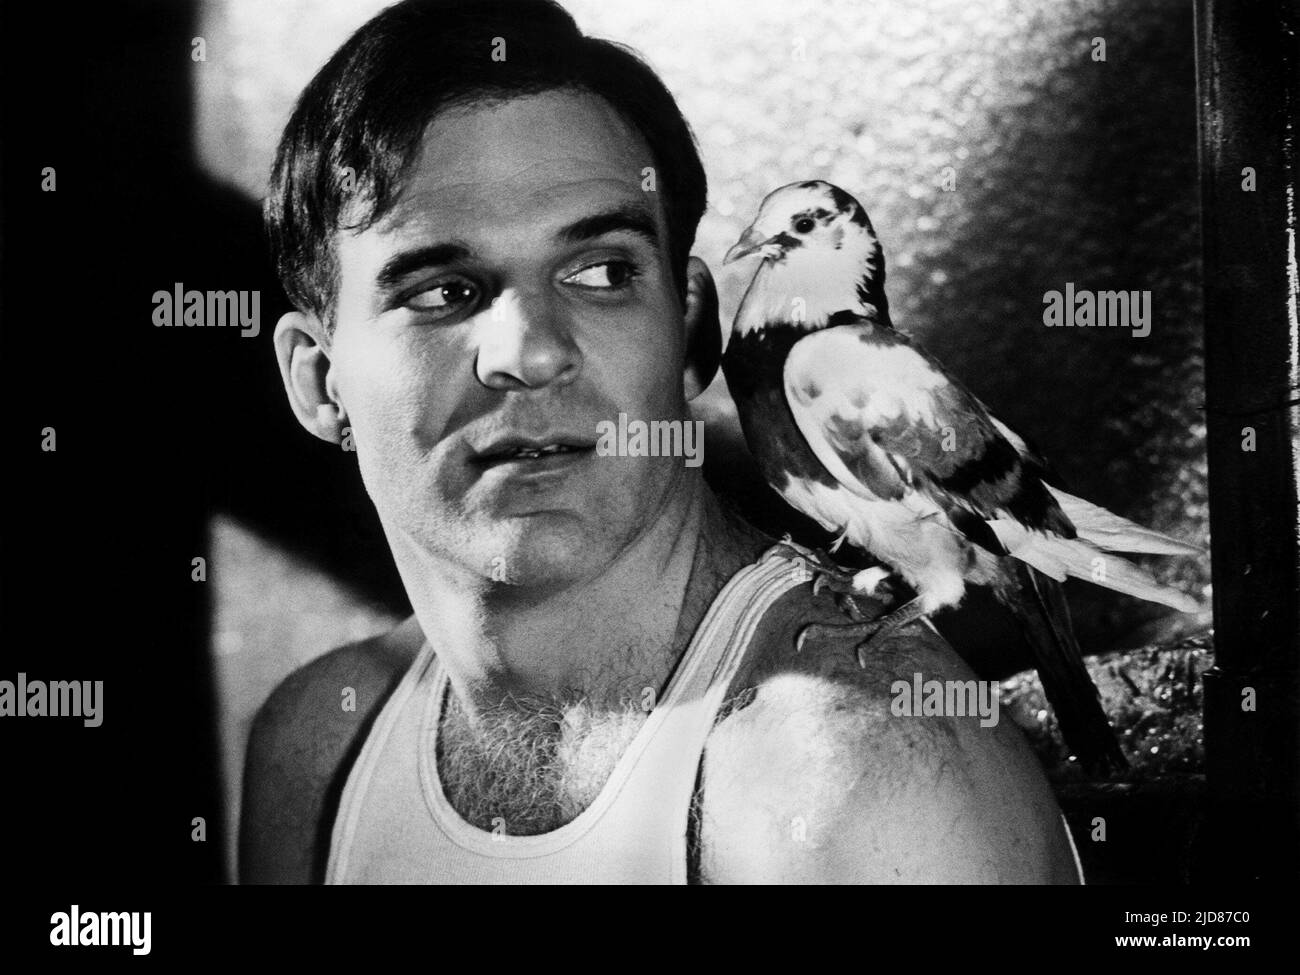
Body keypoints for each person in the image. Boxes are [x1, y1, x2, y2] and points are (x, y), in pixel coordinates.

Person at [240, 0, 1082, 884]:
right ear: (319, 382)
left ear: (692, 334)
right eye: (443, 291)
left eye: (602, 272)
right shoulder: (319, 748)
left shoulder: (860, 786)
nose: (530, 353)